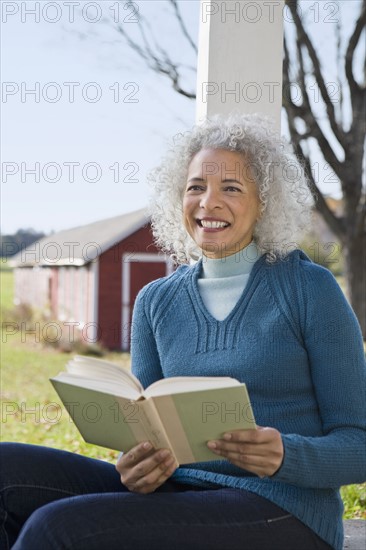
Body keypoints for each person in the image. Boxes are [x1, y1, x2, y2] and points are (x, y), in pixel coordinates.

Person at [1, 113, 365, 550]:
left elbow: (358, 443)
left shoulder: (309, 289)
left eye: (231, 188)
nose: (208, 203)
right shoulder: (156, 300)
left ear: (265, 202)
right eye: (196, 187)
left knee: (58, 528)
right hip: (179, 493)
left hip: (283, 510)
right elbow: (147, 425)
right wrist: (135, 464)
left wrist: (286, 455)